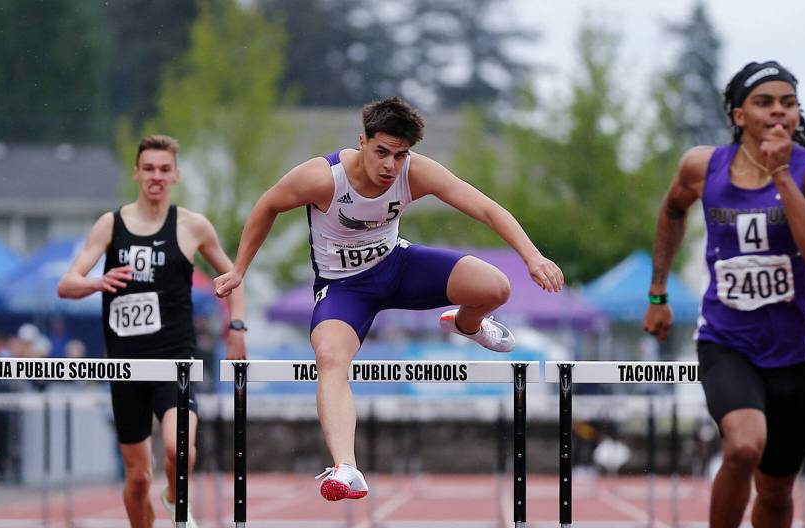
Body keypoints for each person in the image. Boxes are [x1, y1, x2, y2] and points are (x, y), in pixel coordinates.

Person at [213, 96, 563, 502]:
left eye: (400, 156)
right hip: (345, 289)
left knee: (496, 286)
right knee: (329, 358)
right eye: (382, 152)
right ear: (362, 141)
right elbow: (267, 206)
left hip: (397, 267)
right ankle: (346, 467)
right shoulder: (322, 177)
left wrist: (532, 256)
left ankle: (467, 324)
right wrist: (240, 269)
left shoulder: (415, 173)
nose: (390, 167)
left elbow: (484, 207)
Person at [642, 61, 805, 528]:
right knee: (743, 447)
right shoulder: (703, 167)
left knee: (778, 490)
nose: (779, 111)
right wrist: (657, 292)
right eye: (764, 102)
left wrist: (783, 178)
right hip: (725, 340)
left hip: (791, 352)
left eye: (789, 101)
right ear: (739, 114)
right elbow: (673, 211)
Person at [58, 134, 248, 528]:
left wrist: (237, 329)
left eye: (165, 169)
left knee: (176, 446)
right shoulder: (111, 225)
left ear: (176, 175)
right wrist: (97, 282)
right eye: (149, 168)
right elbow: (66, 283)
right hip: (124, 366)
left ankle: (175, 498)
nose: (157, 176)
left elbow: (232, 277)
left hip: (174, 362)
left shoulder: (192, 226)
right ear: (137, 174)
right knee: (135, 477)